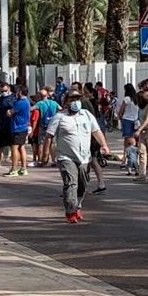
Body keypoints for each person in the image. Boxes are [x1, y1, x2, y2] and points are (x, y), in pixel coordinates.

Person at [42, 90, 110, 224]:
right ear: (66, 101)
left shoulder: (86, 115)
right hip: (66, 157)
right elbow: (49, 137)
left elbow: (96, 131)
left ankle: (77, 205)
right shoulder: (59, 117)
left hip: (84, 157)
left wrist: (104, 145)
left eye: (77, 99)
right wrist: (45, 155)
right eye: (72, 99)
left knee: (83, 183)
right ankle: (71, 211)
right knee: (71, 182)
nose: (75, 102)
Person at [6, 85, 31, 177]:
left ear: (20, 92)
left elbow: (10, 113)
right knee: (21, 147)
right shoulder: (26, 101)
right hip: (23, 127)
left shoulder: (20, 102)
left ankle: (14, 169)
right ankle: (23, 168)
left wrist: (8, 112)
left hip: (17, 127)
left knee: (14, 148)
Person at [0, 82, 14, 176]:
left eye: (4, 89)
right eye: (1, 90)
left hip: (11, 126)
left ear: (8, 88)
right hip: (1, 126)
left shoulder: (13, 98)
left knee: (13, 148)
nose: (3, 91)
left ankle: (14, 168)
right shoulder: (0, 99)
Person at [33, 87, 58, 167]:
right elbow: (61, 109)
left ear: (40, 96)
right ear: (47, 95)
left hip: (42, 125)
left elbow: (31, 109)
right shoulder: (54, 103)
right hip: (52, 125)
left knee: (41, 143)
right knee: (53, 143)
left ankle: (41, 160)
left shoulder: (39, 103)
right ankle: (54, 160)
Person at [117, 83, 139, 164]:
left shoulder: (126, 99)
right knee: (132, 138)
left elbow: (121, 110)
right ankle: (128, 156)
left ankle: (128, 157)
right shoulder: (136, 99)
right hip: (136, 120)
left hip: (127, 119)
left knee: (128, 139)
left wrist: (120, 117)